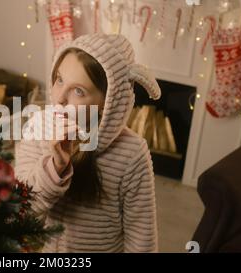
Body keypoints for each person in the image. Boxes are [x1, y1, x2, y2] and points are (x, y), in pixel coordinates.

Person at [14, 34, 161, 252]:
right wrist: (55, 168)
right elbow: (18, 211)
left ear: (106, 102)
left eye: (78, 91)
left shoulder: (132, 153)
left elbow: (141, 237)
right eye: (59, 80)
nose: (60, 98)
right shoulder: (38, 128)